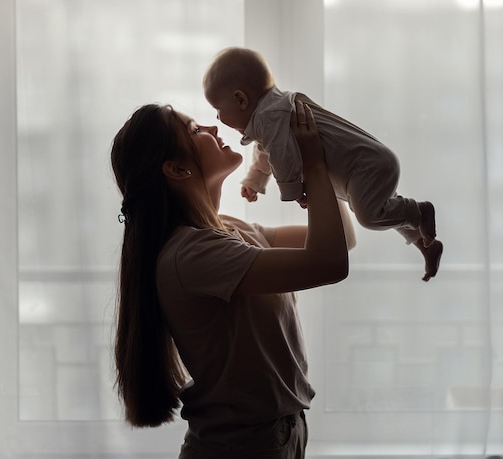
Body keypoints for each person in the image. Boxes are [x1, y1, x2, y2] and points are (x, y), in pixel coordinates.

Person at [110, 100, 355, 458]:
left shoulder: (231, 230)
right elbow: (329, 263)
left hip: (277, 433)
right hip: (243, 445)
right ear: (177, 168)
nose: (211, 129)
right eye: (195, 130)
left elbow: (342, 241)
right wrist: (314, 164)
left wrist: (318, 169)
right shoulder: (192, 253)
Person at [203, 46, 443, 282]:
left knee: (370, 216)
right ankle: (425, 243)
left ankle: (419, 211)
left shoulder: (271, 116)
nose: (216, 118)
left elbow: (281, 157)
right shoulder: (272, 115)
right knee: (382, 208)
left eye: (217, 109)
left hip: (364, 166)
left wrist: (295, 192)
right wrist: (255, 180)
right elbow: (267, 151)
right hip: (357, 169)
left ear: (240, 99)